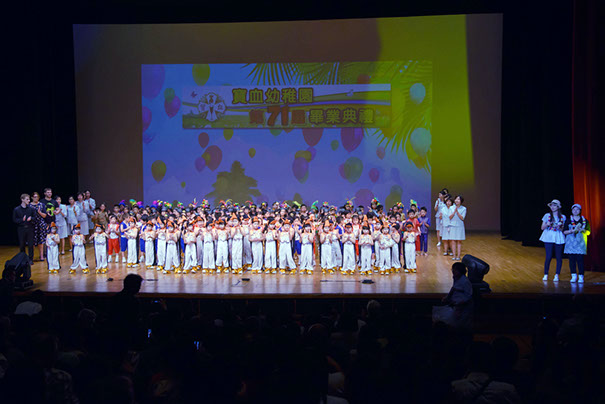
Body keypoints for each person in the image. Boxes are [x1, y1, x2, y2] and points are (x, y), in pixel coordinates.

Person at [539, 199, 566, 281]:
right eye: (551, 205)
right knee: (548, 256)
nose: (552, 207)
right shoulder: (547, 215)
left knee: (558, 257)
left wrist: (559, 227)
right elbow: (542, 228)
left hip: (558, 236)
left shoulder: (562, 217)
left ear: (558, 207)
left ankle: (557, 275)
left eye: (554, 205)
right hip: (549, 236)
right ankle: (546, 274)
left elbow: (562, 229)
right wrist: (547, 224)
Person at [442, 261, 474, 329]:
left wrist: (460, 304)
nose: (453, 271)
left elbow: (468, 295)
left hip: (463, 307)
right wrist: (448, 297)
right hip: (457, 304)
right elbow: (454, 288)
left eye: (455, 270)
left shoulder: (465, 281)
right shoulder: (455, 277)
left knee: (461, 324)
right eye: (453, 269)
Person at [563, 203, 590, 283]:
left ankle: (581, 276)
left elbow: (588, 232)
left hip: (580, 244)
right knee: (572, 260)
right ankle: (573, 276)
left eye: (577, 209)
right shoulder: (568, 220)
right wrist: (571, 231)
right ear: (572, 211)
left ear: (580, 211)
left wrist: (583, 230)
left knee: (580, 260)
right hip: (570, 244)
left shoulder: (584, 220)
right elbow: (564, 232)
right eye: (574, 209)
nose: (575, 211)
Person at [13, 193, 35, 264]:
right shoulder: (17, 209)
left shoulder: (31, 209)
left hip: (30, 228)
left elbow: (35, 217)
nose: (29, 200)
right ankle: (23, 259)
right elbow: (15, 220)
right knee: (22, 245)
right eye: (27, 199)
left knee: (30, 245)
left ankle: (30, 259)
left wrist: (31, 218)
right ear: (22, 200)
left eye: (29, 199)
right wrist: (21, 220)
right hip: (21, 228)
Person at [30, 192, 49, 261]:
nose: (36, 198)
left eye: (37, 197)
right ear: (32, 197)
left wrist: (39, 212)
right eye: (35, 197)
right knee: (32, 241)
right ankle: (31, 257)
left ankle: (41, 256)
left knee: (41, 241)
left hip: (40, 224)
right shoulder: (29, 205)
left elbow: (45, 215)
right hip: (32, 224)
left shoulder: (41, 205)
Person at [449, 195, 467, 261]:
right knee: (453, 241)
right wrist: (454, 212)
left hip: (460, 226)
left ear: (461, 201)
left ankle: (458, 256)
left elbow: (462, 218)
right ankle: (454, 255)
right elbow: (450, 217)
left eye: (458, 199)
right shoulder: (451, 208)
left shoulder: (463, 208)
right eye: (456, 199)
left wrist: (457, 212)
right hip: (453, 225)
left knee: (459, 241)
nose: (457, 200)